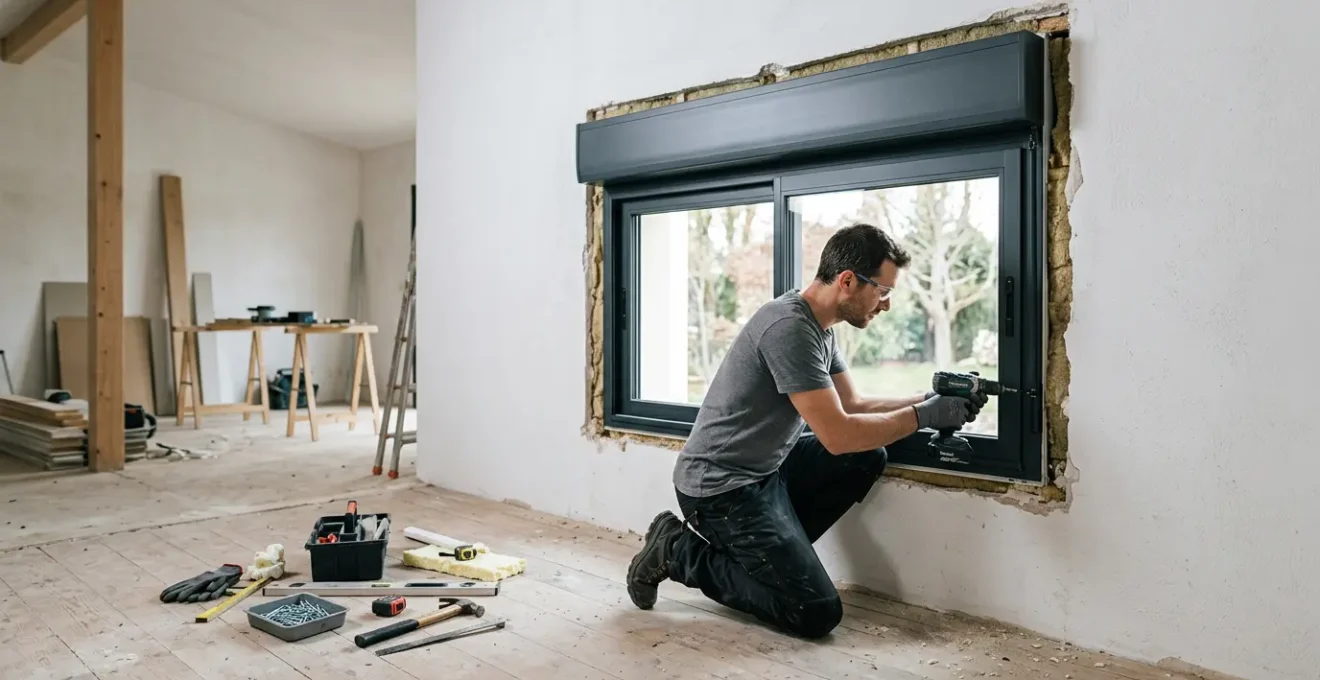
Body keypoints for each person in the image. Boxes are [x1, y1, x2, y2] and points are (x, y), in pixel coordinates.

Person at [624, 222, 983, 639]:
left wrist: (928, 400)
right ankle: (677, 548)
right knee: (813, 611)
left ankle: (767, 562)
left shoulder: (821, 328)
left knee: (866, 456)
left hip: (764, 471)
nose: (885, 304)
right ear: (848, 281)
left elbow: (854, 405)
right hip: (720, 487)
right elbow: (838, 434)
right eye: (883, 291)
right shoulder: (789, 328)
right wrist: (925, 417)